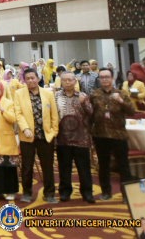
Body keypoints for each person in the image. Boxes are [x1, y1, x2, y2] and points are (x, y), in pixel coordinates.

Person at [14, 68, 59, 204]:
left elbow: (54, 115)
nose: (31, 80)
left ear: (38, 78)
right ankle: (27, 193)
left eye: (33, 78)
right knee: (27, 167)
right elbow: (18, 113)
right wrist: (25, 128)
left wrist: (53, 132)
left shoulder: (48, 93)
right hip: (27, 136)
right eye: (28, 78)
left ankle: (49, 193)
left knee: (48, 166)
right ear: (24, 80)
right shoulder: (18, 93)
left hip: (46, 136)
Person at [90, 67, 135, 201]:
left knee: (123, 166)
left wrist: (121, 101)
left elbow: (132, 111)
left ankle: (126, 194)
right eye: (101, 77)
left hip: (118, 135)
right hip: (100, 135)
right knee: (103, 165)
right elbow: (90, 115)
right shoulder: (94, 95)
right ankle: (106, 192)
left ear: (112, 78)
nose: (104, 79)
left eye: (107, 77)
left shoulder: (121, 93)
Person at [54, 71, 95, 204]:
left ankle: (87, 193)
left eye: (70, 80)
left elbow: (91, 112)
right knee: (64, 167)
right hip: (62, 137)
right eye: (64, 80)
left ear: (75, 81)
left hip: (81, 138)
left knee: (84, 167)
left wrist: (83, 103)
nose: (67, 82)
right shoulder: (56, 96)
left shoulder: (82, 95)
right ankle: (65, 192)